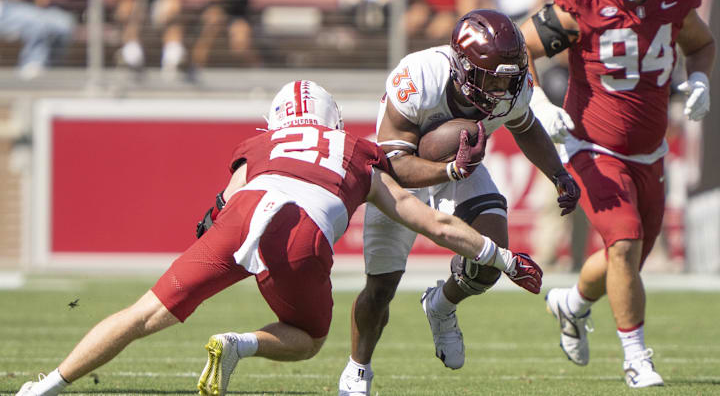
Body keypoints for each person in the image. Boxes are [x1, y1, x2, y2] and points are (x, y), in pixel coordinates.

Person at [14, 80, 542, 396]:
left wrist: (211, 232)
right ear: (331, 119)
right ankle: (238, 343)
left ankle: (47, 384)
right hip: (301, 233)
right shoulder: (357, 149)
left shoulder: (265, 142)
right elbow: (429, 221)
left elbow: (223, 202)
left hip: (242, 216)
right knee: (309, 340)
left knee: (143, 313)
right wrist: (501, 255)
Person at [337, 9, 581, 396]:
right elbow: (395, 164)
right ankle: (358, 368)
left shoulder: (511, 87)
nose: (503, 86)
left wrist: (558, 173)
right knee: (381, 287)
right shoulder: (418, 75)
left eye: (509, 75)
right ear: (463, 64)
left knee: (489, 260)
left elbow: (526, 125)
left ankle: (441, 304)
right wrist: (449, 170)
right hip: (400, 170)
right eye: (493, 76)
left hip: (460, 164)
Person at [520, 0, 715, 388]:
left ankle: (570, 303)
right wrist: (537, 100)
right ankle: (636, 359)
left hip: (650, 151)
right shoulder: (585, 3)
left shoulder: (672, 0)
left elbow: (701, 42)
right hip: (592, 146)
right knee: (625, 242)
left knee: (626, 257)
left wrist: (698, 78)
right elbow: (519, 46)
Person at [0, 0, 75, 79]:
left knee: (63, 22)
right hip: (5, 10)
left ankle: (51, 68)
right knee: (37, 24)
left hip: (22, 7)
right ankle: (32, 64)